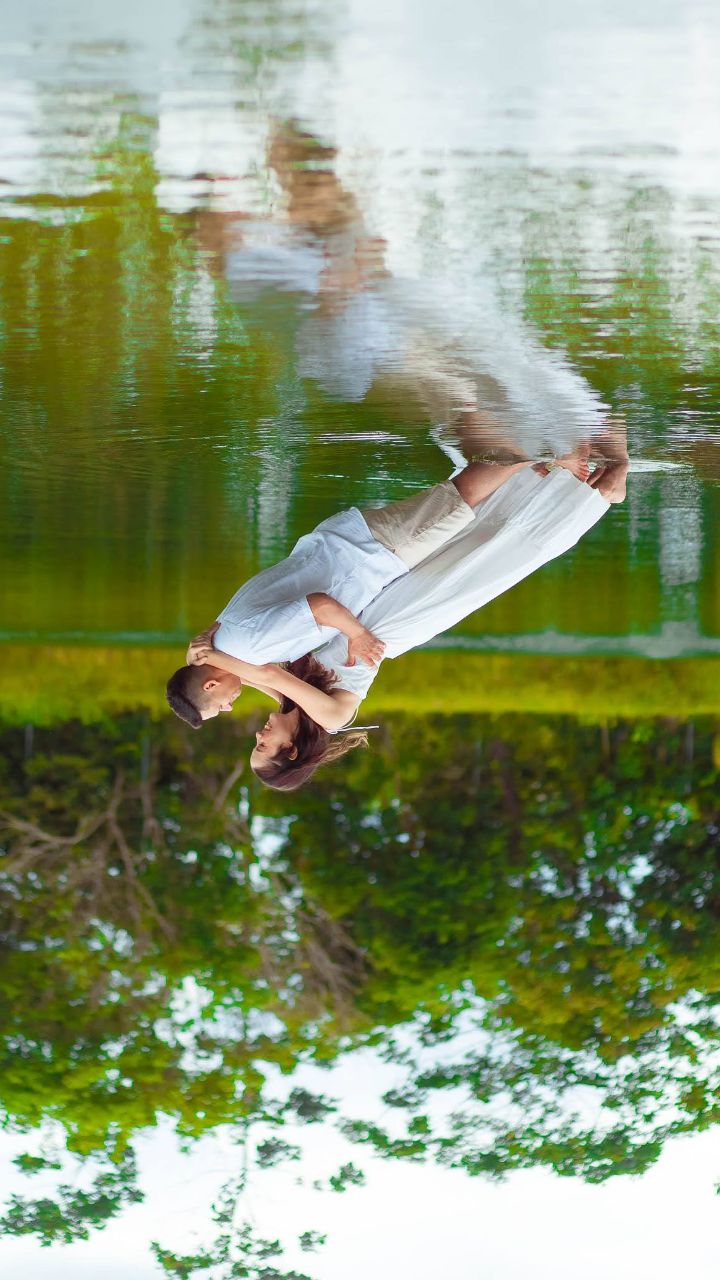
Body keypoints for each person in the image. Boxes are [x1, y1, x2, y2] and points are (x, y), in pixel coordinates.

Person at [190, 433, 630, 788]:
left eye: (255, 743)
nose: (258, 736)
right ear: (291, 751)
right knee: (491, 552)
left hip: (371, 604)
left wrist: (209, 640)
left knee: (465, 530)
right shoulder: (331, 716)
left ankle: (556, 462)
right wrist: (208, 656)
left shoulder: (287, 700)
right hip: (401, 617)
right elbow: (264, 673)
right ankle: (605, 475)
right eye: (263, 747)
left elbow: (254, 655)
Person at [166, 454, 533, 728]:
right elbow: (275, 687)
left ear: (212, 684)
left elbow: (320, 607)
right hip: (349, 546)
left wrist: (357, 636)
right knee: (454, 502)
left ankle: (539, 449)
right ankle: (531, 458)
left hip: (368, 554)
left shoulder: (249, 648)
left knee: (458, 499)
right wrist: (198, 656)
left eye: (218, 707)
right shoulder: (229, 642)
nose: (228, 707)